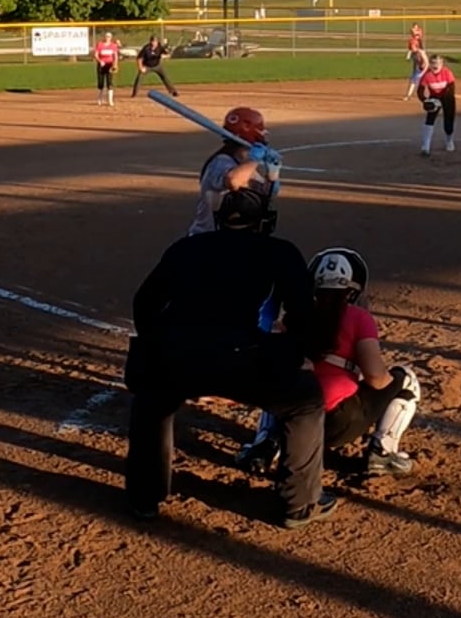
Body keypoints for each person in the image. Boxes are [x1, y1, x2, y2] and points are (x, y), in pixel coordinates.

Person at [123, 187, 337, 528]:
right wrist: (298, 355)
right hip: (245, 360)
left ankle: (144, 497)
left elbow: (145, 303)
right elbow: (302, 315)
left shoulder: (185, 248)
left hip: (179, 357)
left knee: (152, 398)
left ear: (219, 219)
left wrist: (159, 346)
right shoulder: (280, 252)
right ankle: (299, 505)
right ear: (264, 221)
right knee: (305, 401)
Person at [305, 248, 419, 475]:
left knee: (282, 383)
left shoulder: (297, 314)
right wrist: (388, 383)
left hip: (293, 419)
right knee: (406, 379)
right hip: (339, 422)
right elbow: (376, 378)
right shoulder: (358, 317)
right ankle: (382, 453)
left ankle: (265, 444)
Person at [190, 107, 278, 237]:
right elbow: (234, 182)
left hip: (236, 236)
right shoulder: (221, 162)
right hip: (207, 238)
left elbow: (265, 194)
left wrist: (272, 175)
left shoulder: (244, 164)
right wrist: (254, 160)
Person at [416, 53, 457, 157]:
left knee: (449, 119)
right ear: (429, 64)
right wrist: (425, 101)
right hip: (434, 97)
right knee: (429, 120)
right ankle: (425, 147)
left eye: (438, 63)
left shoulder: (447, 72)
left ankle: (449, 140)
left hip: (447, 97)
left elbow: (451, 88)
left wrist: (443, 99)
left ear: (442, 64)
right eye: (433, 63)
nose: (435, 65)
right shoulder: (427, 75)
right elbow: (420, 91)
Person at [400, 24, 429, 101]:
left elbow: (427, 63)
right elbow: (410, 50)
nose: (412, 47)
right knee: (413, 79)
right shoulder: (413, 50)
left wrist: (422, 73)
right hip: (418, 66)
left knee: (429, 79)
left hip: (424, 67)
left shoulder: (421, 52)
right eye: (411, 46)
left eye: (413, 46)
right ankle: (408, 96)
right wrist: (408, 56)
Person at [93, 31, 122, 106]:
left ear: (111, 38)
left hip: (110, 65)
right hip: (101, 65)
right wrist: (100, 61)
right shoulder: (100, 44)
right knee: (100, 82)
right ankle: (100, 99)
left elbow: (115, 56)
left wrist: (115, 65)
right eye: (106, 36)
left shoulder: (113, 45)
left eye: (109, 37)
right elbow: (96, 55)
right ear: (104, 37)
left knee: (110, 82)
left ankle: (110, 100)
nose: (107, 38)